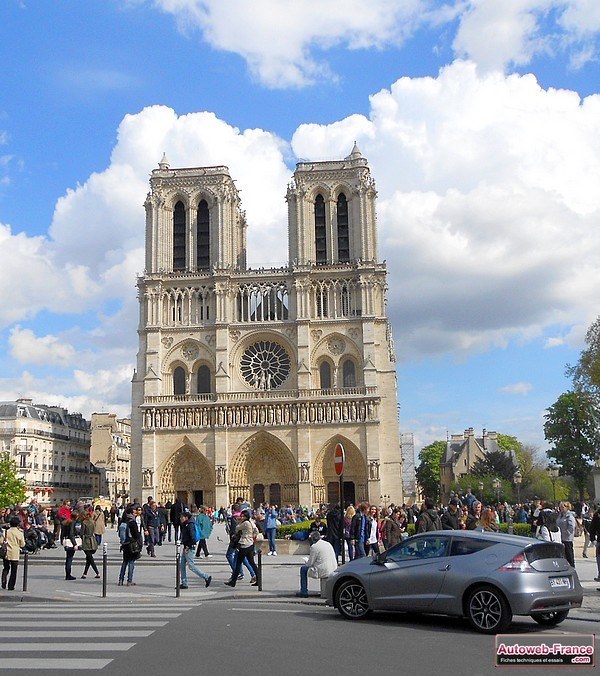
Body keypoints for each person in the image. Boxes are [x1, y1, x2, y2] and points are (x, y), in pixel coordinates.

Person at [296, 529, 338, 598]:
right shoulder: (327, 543)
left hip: (323, 569)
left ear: (312, 539)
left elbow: (310, 563)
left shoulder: (314, 547)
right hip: (333, 567)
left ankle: (304, 591)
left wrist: (306, 561)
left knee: (303, 569)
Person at [224, 510, 258, 588]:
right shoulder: (251, 522)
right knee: (251, 562)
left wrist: (239, 522)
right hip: (250, 544)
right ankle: (257, 579)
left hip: (244, 545)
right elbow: (256, 530)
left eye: (243, 516)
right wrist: (252, 537)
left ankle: (233, 581)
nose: (241, 517)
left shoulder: (245, 523)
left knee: (239, 563)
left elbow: (237, 528)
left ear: (246, 517)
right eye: (241, 516)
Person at [179, 510, 211, 589]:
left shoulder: (190, 525)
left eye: (182, 517)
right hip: (186, 546)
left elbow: (192, 538)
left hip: (189, 547)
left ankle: (206, 577)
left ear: (186, 517)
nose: (180, 518)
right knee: (182, 565)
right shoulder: (186, 524)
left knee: (191, 565)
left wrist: (188, 546)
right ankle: (184, 583)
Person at [118, 506, 142, 586]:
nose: (135, 514)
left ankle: (121, 580)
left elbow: (119, 533)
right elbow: (136, 534)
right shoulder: (132, 522)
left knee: (124, 562)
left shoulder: (123, 521)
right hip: (131, 544)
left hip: (125, 544)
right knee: (131, 562)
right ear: (131, 513)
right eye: (134, 512)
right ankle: (129, 580)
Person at [1, 516, 25, 591]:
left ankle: (3, 581)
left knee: (6, 568)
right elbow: (22, 544)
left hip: (6, 553)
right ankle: (11, 586)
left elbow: (1, 541)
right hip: (15, 553)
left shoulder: (6, 532)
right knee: (14, 570)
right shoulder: (19, 533)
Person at [80, 509, 100, 579]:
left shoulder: (84, 522)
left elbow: (82, 533)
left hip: (86, 540)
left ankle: (97, 572)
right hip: (93, 540)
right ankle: (85, 573)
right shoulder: (93, 521)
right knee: (88, 557)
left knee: (90, 558)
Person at [63, 509, 81, 581]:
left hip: (67, 541)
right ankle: (68, 575)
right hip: (71, 542)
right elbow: (71, 534)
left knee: (68, 558)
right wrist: (75, 544)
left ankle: (67, 574)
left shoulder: (67, 522)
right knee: (69, 558)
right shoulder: (72, 523)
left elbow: (64, 533)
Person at [557, 501, 576, 567]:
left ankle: (572, 566)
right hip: (560, 538)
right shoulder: (560, 515)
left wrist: (566, 533)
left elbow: (571, 527)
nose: (561, 508)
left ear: (567, 507)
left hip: (567, 539)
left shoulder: (570, 516)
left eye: (563, 507)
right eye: (560, 507)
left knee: (569, 555)